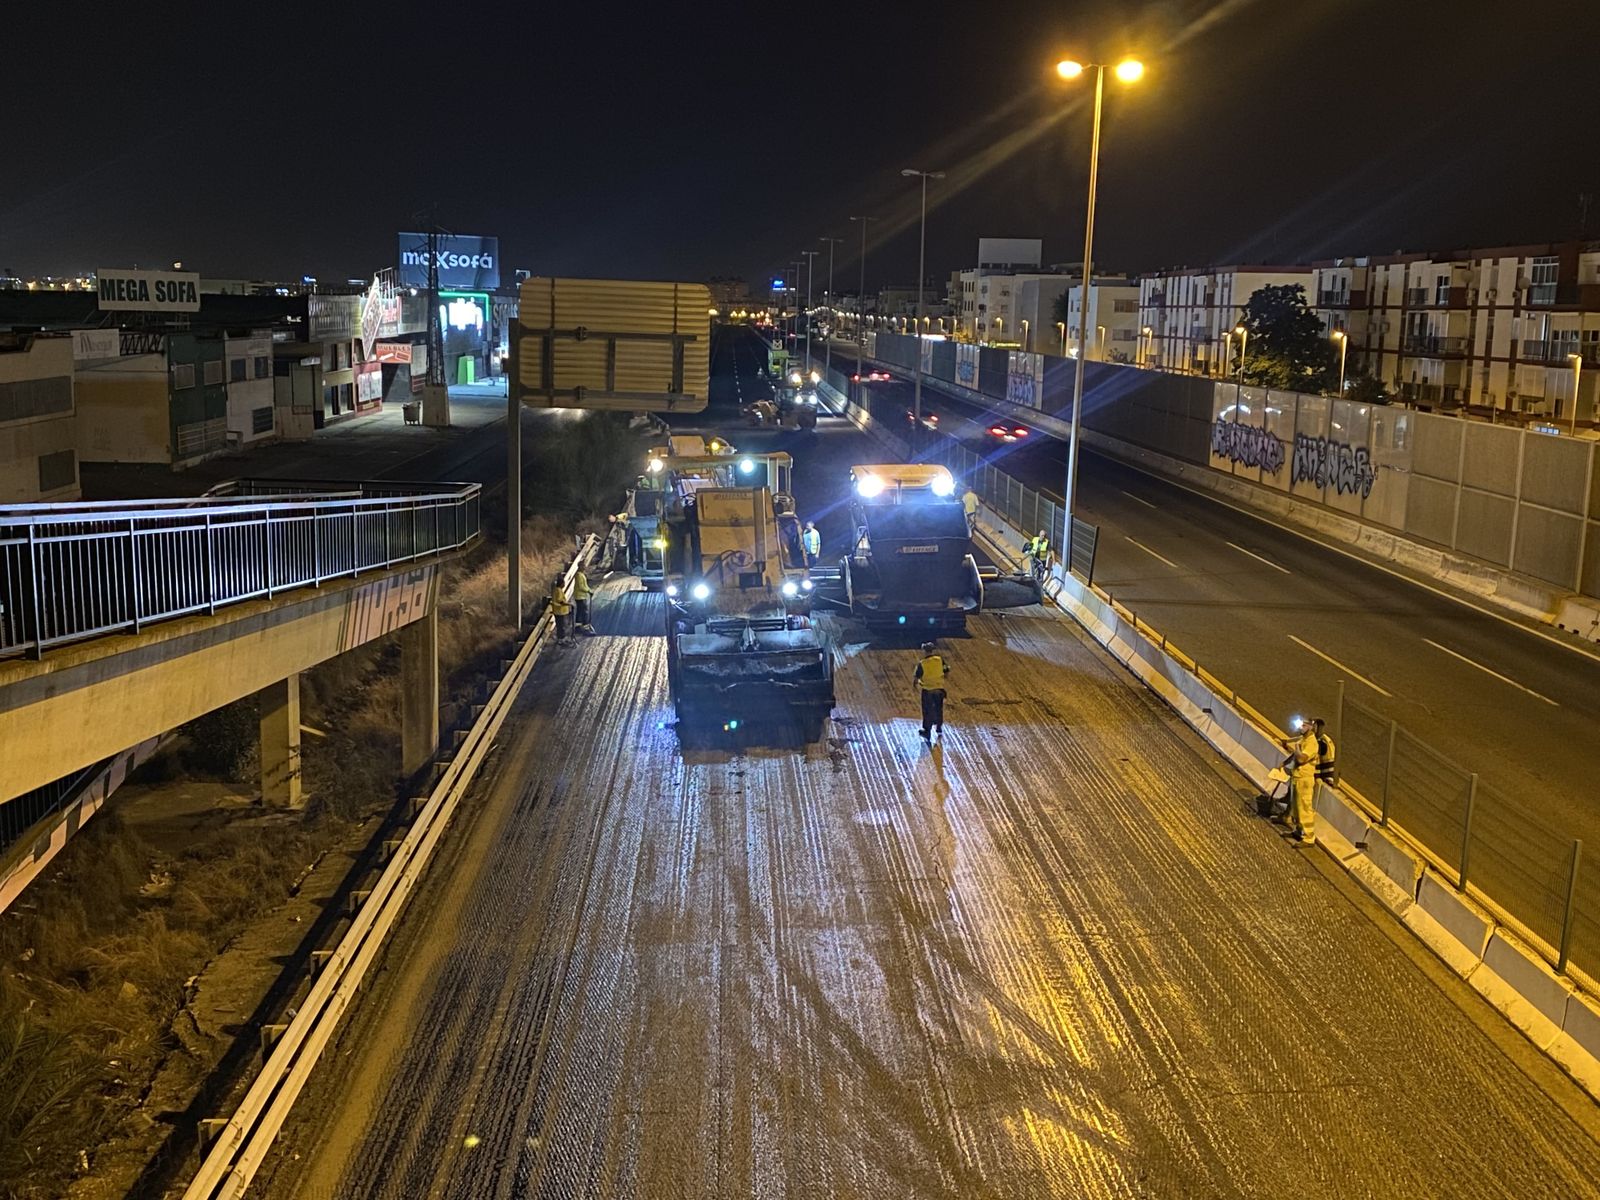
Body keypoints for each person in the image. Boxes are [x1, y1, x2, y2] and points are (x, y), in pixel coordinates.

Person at [1282, 718, 1319, 845]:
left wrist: (1296, 748)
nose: (1300, 727)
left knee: (1304, 808)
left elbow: (1302, 759)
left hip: (1305, 780)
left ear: (1310, 727)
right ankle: (1298, 831)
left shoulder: (1312, 743)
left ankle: (1309, 837)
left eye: (1303, 725)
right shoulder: (1303, 739)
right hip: (1297, 777)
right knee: (1297, 808)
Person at [914, 642, 949, 742]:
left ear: (924, 651)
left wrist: (915, 684)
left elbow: (917, 676)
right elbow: (946, 671)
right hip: (939, 689)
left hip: (928, 690)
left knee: (927, 711)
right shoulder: (939, 660)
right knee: (939, 708)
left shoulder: (922, 663)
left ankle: (927, 731)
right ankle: (939, 727)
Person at [550, 574, 573, 644]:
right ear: (561, 584)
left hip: (556, 611)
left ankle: (560, 638)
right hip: (560, 611)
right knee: (561, 625)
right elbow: (560, 601)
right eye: (564, 583)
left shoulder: (555, 590)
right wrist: (568, 604)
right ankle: (561, 639)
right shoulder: (559, 591)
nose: (564, 585)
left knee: (559, 625)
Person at [572, 565, 595, 635]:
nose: (585, 568)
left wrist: (589, 590)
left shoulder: (581, 575)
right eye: (584, 566)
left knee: (580, 612)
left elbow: (585, 585)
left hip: (581, 596)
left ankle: (578, 627)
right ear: (580, 567)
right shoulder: (579, 576)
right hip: (580, 596)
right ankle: (585, 628)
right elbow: (581, 586)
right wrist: (588, 591)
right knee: (584, 612)